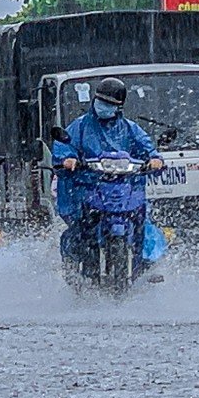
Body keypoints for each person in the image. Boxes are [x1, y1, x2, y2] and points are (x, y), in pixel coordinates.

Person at [54, 77, 166, 264]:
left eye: (109, 104)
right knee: (80, 229)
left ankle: (141, 262)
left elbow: (147, 149)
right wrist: (68, 159)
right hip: (89, 188)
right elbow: (64, 146)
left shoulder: (130, 129)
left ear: (119, 107)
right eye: (101, 101)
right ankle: (80, 262)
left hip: (124, 187)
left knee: (142, 224)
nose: (103, 106)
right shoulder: (80, 127)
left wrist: (154, 160)